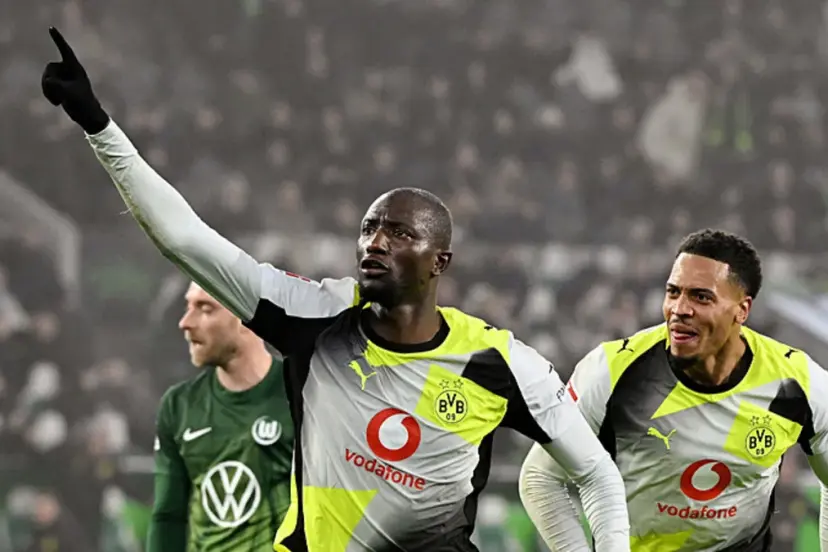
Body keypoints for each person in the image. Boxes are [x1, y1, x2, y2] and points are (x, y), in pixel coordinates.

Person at [41, 27, 631, 551]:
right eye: (369, 228)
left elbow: (597, 475)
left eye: (400, 233)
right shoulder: (315, 316)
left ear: (439, 262)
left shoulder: (498, 362)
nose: (376, 242)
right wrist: (98, 125)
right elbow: (186, 240)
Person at [520, 229, 828, 551]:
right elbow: (540, 477)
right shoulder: (612, 371)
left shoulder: (798, 382)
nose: (679, 309)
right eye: (673, 292)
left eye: (701, 297)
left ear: (742, 309)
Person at [148, 282, 294, 551]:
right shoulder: (179, 405)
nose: (185, 322)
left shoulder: (303, 396)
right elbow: (168, 516)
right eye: (188, 307)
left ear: (248, 317)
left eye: (205, 309)